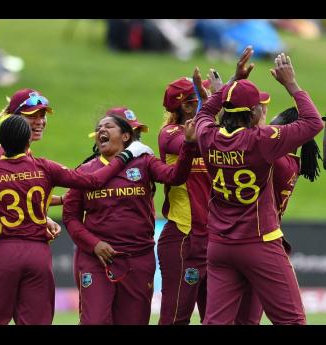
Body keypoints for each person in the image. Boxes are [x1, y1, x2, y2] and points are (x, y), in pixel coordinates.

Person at [0, 115, 153, 325]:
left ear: (1, 143)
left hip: (3, 252)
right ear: (27, 141)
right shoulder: (44, 167)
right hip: (38, 254)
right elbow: (94, 180)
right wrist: (125, 157)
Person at [194, 46, 324, 324]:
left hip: (219, 246)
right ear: (253, 112)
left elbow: (206, 111)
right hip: (259, 244)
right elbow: (313, 122)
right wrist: (291, 84)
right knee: (291, 321)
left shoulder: (206, 135)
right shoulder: (262, 141)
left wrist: (230, 83)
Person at [63, 113, 199, 325]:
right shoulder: (84, 171)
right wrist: (94, 244)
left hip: (137, 258)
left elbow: (175, 177)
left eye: (109, 126)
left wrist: (189, 145)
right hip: (97, 259)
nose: (101, 131)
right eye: (99, 128)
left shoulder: (145, 163)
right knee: (94, 321)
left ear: (126, 137)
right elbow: (70, 217)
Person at [235, 105, 323, 325]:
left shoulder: (278, 162)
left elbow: (254, 139)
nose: (267, 131)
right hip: (264, 240)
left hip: (254, 240)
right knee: (249, 318)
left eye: (274, 128)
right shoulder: (291, 162)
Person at [156, 76, 212, 325]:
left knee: (219, 319)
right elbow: (201, 143)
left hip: (218, 237)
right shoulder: (169, 134)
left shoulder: (215, 130)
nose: (207, 102)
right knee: (175, 318)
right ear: (188, 105)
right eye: (202, 97)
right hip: (183, 235)